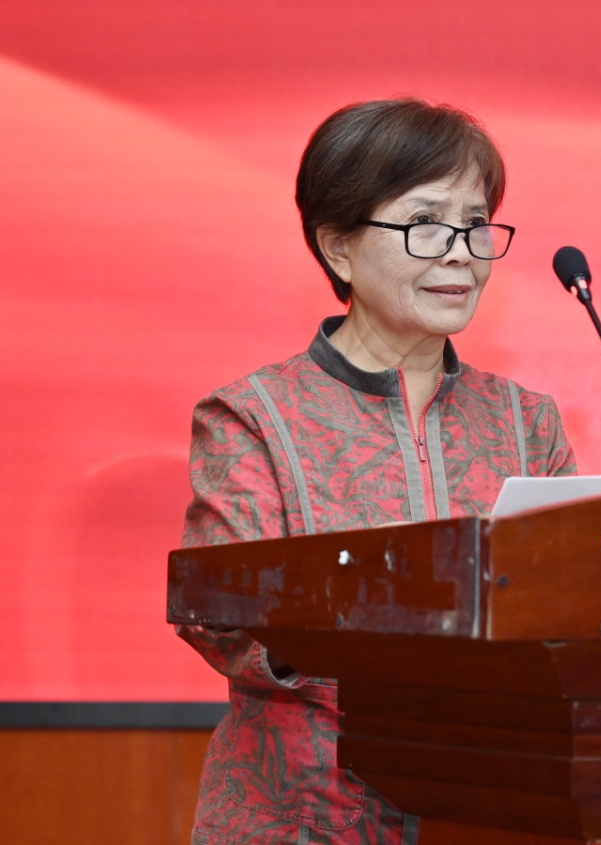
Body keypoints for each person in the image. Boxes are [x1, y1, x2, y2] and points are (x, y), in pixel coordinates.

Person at [177, 98, 576, 845]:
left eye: (475, 222)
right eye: (425, 223)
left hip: (486, 812)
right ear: (338, 248)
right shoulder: (254, 416)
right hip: (304, 817)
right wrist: (388, 626)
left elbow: (572, 604)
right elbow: (222, 619)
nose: (460, 253)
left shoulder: (527, 422)